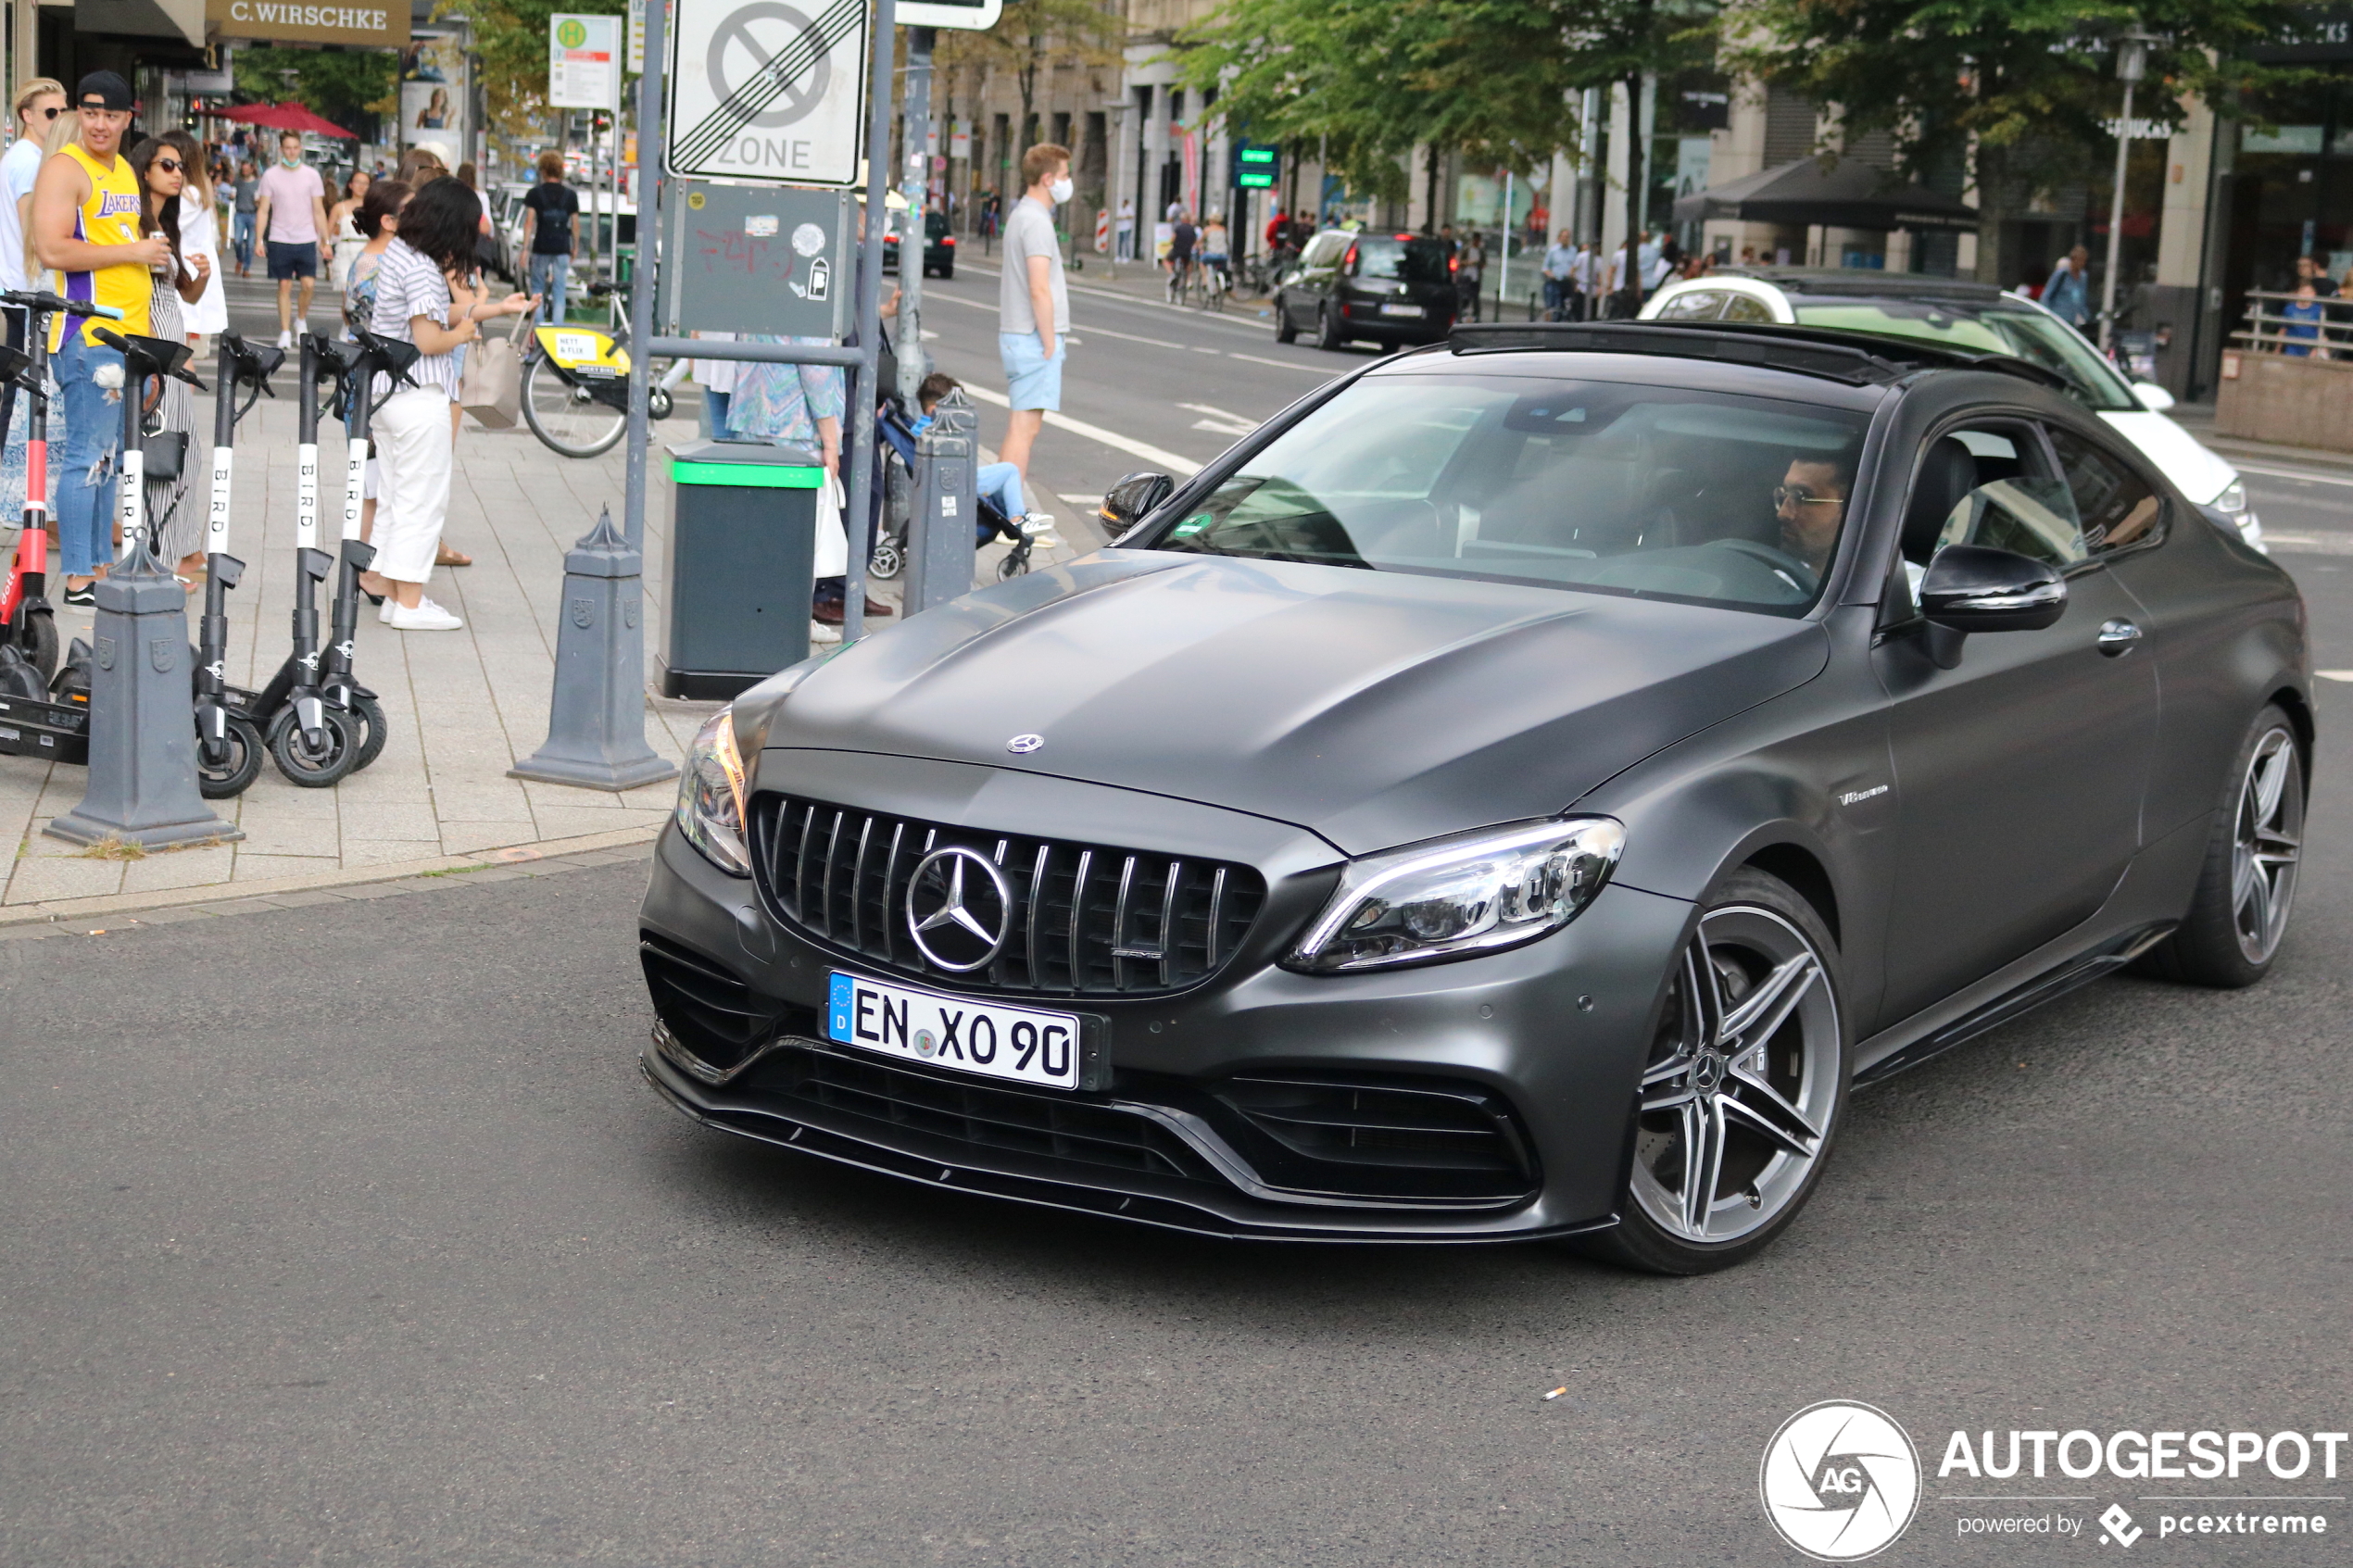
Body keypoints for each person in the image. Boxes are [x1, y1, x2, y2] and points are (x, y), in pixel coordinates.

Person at [364, 176, 535, 630]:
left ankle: (395, 596)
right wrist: (462, 335)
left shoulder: (402, 252)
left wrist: (491, 310)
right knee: (422, 502)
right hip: (419, 395)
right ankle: (411, 605)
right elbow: (429, 338)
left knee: (399, 498)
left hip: (389, 395)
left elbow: (433, 313)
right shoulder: (423, 268)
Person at [31, 72, 170, 603]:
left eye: (111, 115)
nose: (99, 123)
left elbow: (127, 260)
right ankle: (78, 576)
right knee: (87, 454)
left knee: (107, 457)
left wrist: (152, 349)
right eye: (90, 112)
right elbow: (53, 250)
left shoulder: (125, 174)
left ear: (127, 119)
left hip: (127, 339)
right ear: (77, 114)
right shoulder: (66, 168)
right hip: (85, 334)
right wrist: (136, 252)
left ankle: (97, 568)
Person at [128, 136, 211, 580]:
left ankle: (173, 554)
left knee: (186, 451)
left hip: (173, 339)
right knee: (164, 450)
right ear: (145, 171)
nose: (178, 172)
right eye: (167, 165)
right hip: (153, 342)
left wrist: (203, 276)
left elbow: (183, 294)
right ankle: (158, 558)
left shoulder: (166, 224)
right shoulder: (135, 225)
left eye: (180, 165)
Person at [999, 142, 1071, 490]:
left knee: (1021, 425)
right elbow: (1039, 287)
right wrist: (1048, 342)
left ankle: (1002, 508)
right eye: (1064, 176)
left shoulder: (1021, 216)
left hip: (1018, 334)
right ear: (1047, 179)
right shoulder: (1036, 222)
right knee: (1025, 429)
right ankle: (1006, 511)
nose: (1067, 183)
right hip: (1031, 336)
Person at [914, 372, 1054, 545]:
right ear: (936, 409)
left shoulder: (919, 428)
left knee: (1004, 475)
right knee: (1009, 470)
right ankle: (1017, 518)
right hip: (955, 482)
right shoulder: (934, 430)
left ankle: (1018, 514)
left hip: (950, 479)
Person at [0, 79, 63, 456]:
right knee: (22, 385)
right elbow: (33, 229)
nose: (58, 119)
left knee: (21, 384)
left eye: (62, 111)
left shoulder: (25, 158)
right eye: (50, 113)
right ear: (27, 115)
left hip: (21, 286)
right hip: (27, 288)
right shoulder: (28, 161)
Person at [254, 130, 329, 348]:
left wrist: (325, 240)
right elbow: (263, 210)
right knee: (284, 285)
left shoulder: (311, 175)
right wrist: (259, 240)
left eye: (295, 148)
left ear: (300, 149)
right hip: (279, 236)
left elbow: (318, 210)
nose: (292, 152)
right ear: (281, 149)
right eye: (288, 148)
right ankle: (285, 330)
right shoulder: (270, 175)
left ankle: (301, 319)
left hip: (306, 237)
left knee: (308, 284)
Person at [160, 130, 226, 348]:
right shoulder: (196, 190)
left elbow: (169, 227)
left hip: (188, 268)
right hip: (189, 267)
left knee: (180, 341)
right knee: (180, 340)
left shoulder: (191, 195)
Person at [519, 149, 579, 323]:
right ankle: (557, 330)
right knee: (559, 290)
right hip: (562, 248)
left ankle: (538, 330)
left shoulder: (535, 194)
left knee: (537, 289)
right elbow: (575, 224)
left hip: (541, 246)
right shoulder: (570, 196)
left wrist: (525, 249)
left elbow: (529, 222)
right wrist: (574, 246)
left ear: (543, 170)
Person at [1774, 458, 1848, 579]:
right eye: (1784, 494)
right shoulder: (1771, 584)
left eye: (1802, 497)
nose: (1783, 513)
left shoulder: (1881, 587)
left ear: (1848, 507)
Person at [327, 166, 370, 287]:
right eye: (358, 182)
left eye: (365, 183)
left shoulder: (373, 208)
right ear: (350, 185)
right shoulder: (339, 208)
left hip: (366, 252)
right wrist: (326, 246)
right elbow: (327, 231)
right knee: (346, 291)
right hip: (345, 251)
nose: (361, 186)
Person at [2043, 245, 2091, 330]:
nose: (2082, 264)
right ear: (2073, 259)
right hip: (2058, 316)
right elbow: (2047, 294)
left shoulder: (2083, 276)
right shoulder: (2062, 274)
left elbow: (2082, 298)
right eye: (2080, 260)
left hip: (2072, 318)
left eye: (2084, 261)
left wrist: (2086, 316)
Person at [2280, 280, 2325, 358]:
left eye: (2309, 292)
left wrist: (2315, 350)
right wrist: (2277, 349)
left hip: (2311, 347)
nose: (2306, 295)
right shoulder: (2289, 309)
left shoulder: (2319, 310)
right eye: (2303, 292)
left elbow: (2322, 333)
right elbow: (2283, 330)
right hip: (2292, 347)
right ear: (2297, 293)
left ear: (2314, 294)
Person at [1541, 229, 1577, 321]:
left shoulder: (1573, 251)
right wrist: (1551, 275)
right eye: (1563, 237)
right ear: (1559, 238)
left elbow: (1575, 265)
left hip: (1566, 282)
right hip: (1554, 282)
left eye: (1567, 237)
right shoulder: (1553, 251)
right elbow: (1545, 267)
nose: (1565, 239)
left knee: (1563, 307)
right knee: (1551, 306)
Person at [230, 159, 258, 276]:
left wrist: (258, 202)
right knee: (237, 241)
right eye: (243, 169)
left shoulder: (257, 183)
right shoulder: (237, 182)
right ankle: (240, 259)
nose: (245, 171)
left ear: (252, 169)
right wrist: (231, 196)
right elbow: (232, 196)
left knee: (250, 244)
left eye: (247, 169)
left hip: (253, 214)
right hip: (240, 214)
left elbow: (260, 200)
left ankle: (246, 268)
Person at [1165, 207, 1196, 300]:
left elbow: (1172, 239)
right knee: (1189, 263)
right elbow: (1194, 241)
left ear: (1182, 219)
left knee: (1166, 259)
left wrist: (1171, 242)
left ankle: (1172, 274)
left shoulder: (1178, 228)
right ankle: (1189, 279)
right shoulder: (1192, 229)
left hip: (1177, 251)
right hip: (1187, 252)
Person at [1457, 230, 1486, 322]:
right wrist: (1468, 262)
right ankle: (1461, 313)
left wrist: (1478, 263)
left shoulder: (1481, 251)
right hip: (1466, 276)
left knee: (1475, 298)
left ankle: (1476, 315)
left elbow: (1483, 264)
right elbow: (1460, 262)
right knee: (1465, 297)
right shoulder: (1467, 249)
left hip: (1476, 278)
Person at [1200, 213, 1229, 288]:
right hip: (1223, 255)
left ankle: (1204, 279)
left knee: (1202, 262)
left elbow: (1201, 241)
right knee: (1220, 268)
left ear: (1211, 221)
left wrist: (1199, 247)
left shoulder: (1207, 229)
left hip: (1211, 254)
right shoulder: (1223, 229)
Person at [1114, 194, 1134, 262]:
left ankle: (1127, 256)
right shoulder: (1120, 209)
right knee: (1120, 242)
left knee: (1126, 242)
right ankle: (1119, 256)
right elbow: (1117, 216)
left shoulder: (1129, 208)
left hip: (1126, 227)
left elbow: (1131, 216)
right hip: (1120, 228)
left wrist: (1124, 217)